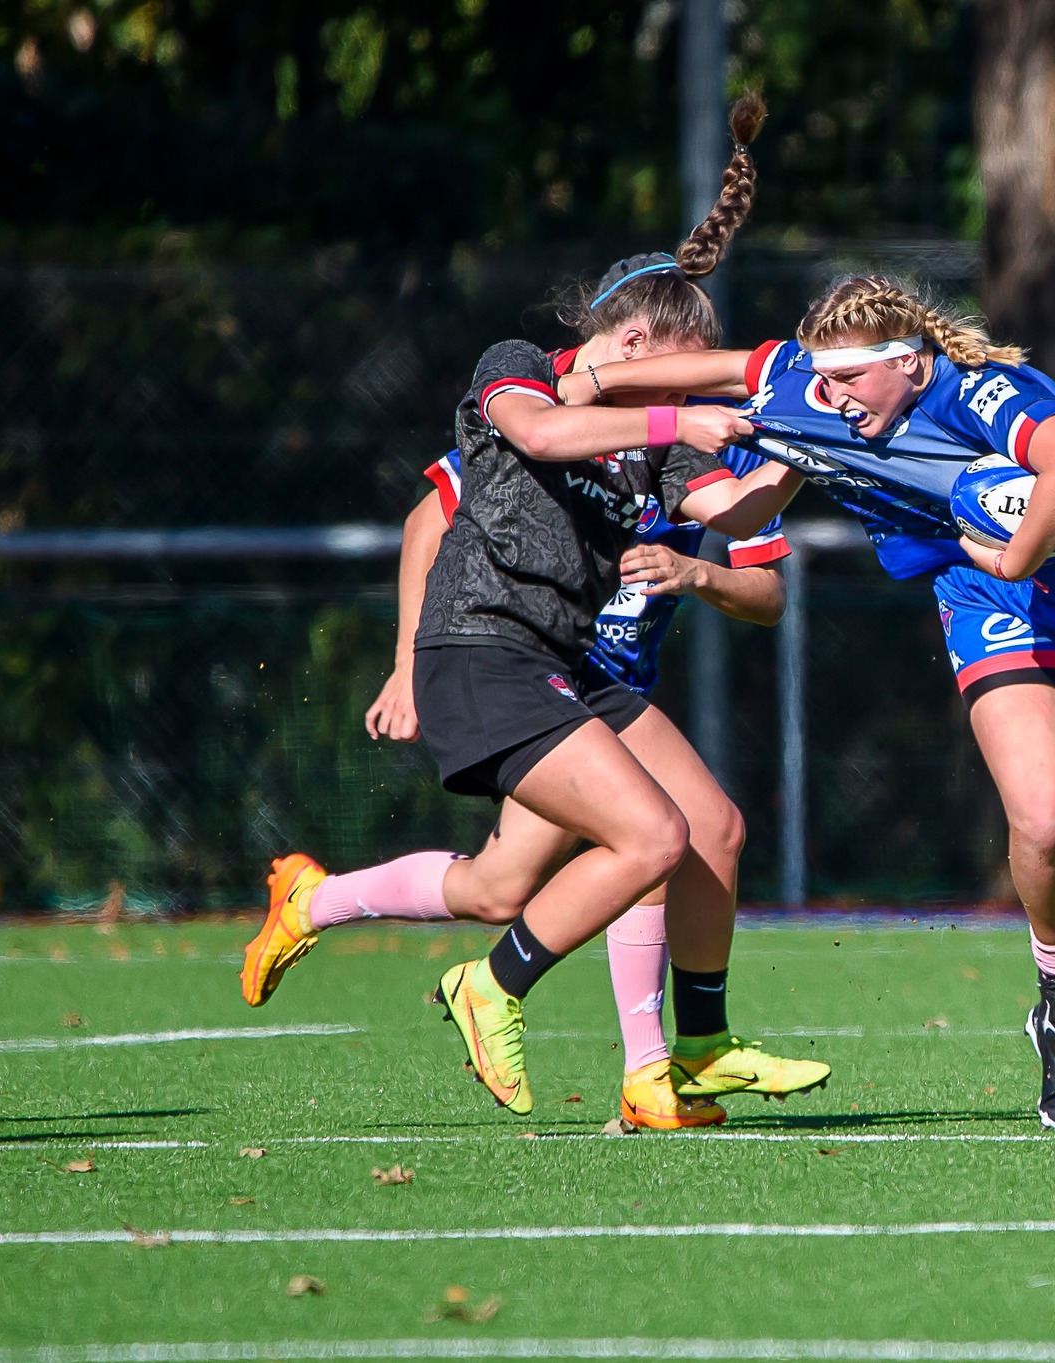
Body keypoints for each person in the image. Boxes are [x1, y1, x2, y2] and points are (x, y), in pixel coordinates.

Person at [240, 97, 829, 1120]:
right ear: (629, 339)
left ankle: (681, 1055)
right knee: (646, 839)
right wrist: (402, 663)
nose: (675, 383)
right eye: (664, 362)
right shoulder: (517, 371)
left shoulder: (663, 442)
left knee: (646, 846)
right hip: (488, 650)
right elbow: (524, 458)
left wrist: (798, 457)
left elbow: (730, 509)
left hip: (574, 674)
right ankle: (528, 1002)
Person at [573, 275, 1055, 1130]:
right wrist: (586, 384)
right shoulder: (806, 383)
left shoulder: (985, 392)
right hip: (987, 597)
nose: (834, 398)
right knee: (1046, 817)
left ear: (911, 365)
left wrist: (1018, 556)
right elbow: (713, 369)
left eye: (852, 381)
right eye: (824, 380)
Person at [358, 435, 794, 1130]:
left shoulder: (726, 451)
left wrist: (696, 573)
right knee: (616, 849)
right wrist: (409, 659)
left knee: (673, 836)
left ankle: (666, 1066)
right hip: (538, 677)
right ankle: (641, 1064)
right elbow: (424, 521)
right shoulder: (558, 420)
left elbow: (768, 593)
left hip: (610, 690)